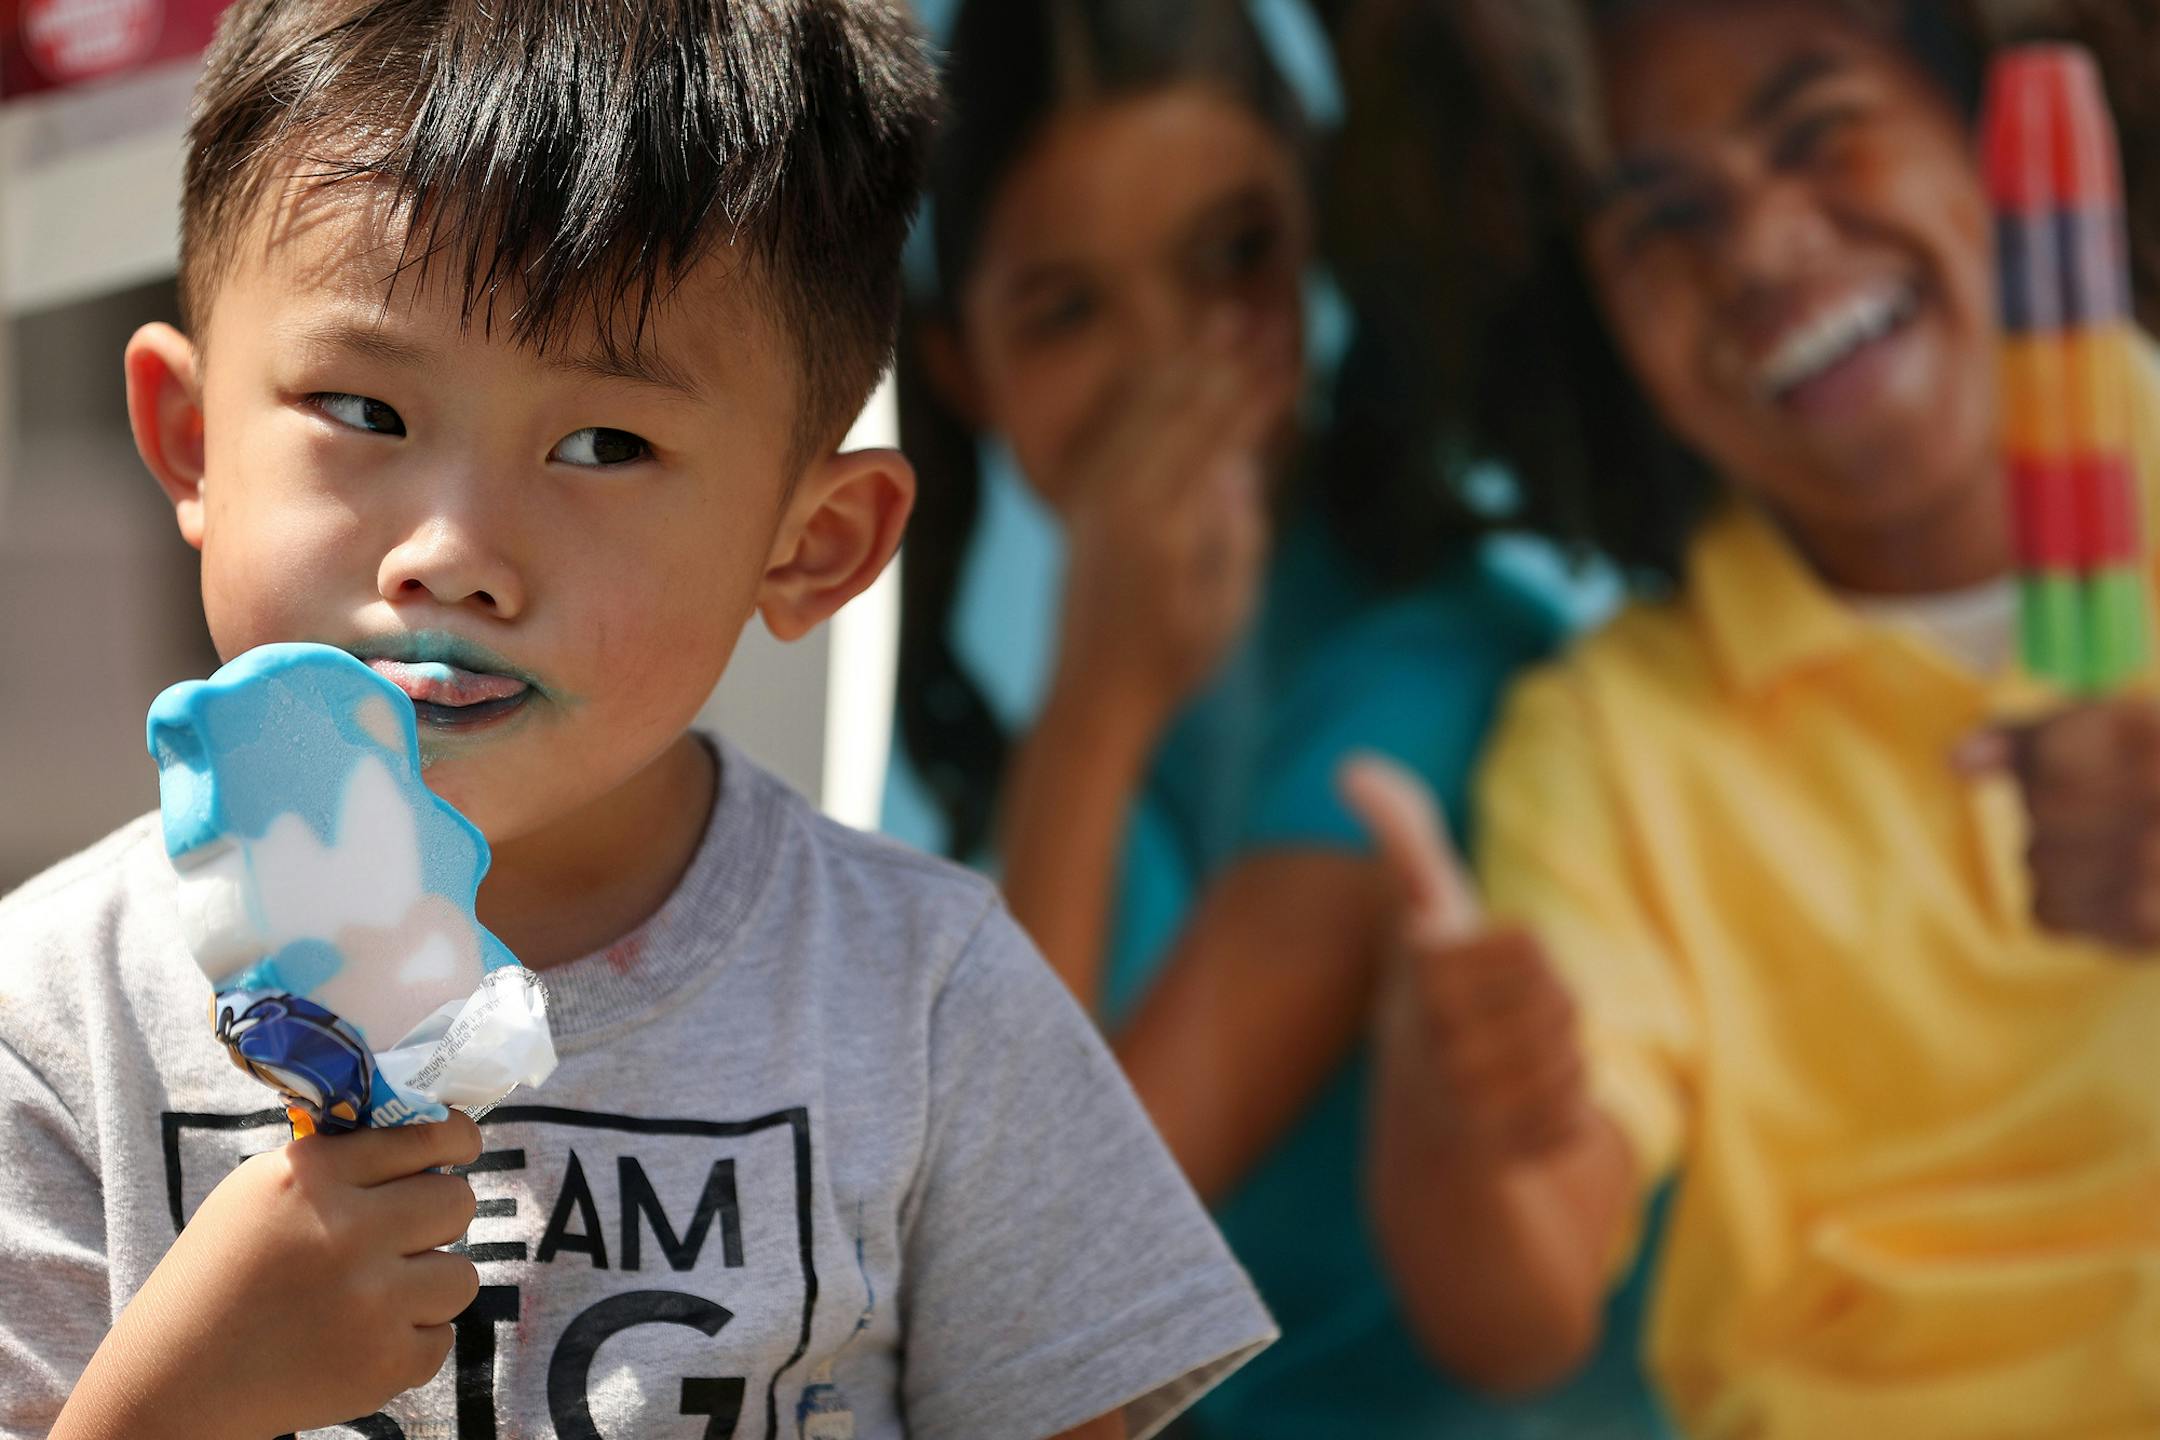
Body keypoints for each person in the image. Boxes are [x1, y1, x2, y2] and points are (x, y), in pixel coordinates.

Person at [0, 2, 1280, 1436]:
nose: (455, 550)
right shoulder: (51, 1022)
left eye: (603, 445)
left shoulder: (931, 1003)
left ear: (815, 547)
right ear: (190, 437)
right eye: (362, 409)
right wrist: (175, 1402)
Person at [1332, 0, 2160, 1434]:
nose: (1764, 250)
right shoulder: (1618, 741)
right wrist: (1459, 1112)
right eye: (1661, 221)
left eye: (1821, 133)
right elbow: (1515, 1311)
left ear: (1992, 134)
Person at [894, 1, 1664, 1433]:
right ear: (961, 370)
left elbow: (1034, 1299)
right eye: (1067, 309)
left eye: (1230, 258)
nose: (1167, 360)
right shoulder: (1100, 718)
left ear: (1316, 234)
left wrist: (1097, 703)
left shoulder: (1424, 680)